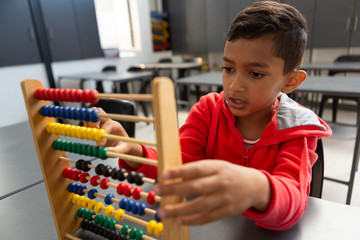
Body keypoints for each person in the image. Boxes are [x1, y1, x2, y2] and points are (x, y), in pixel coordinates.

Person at [87, 1, 332, 231]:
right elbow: (177, 170)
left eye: (255, 74)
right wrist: (135, 152)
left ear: (291, 81)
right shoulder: (207, 111)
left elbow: (293, 203)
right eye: (228, 69)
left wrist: (258, 187)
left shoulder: (296, 129)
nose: (235, 86)